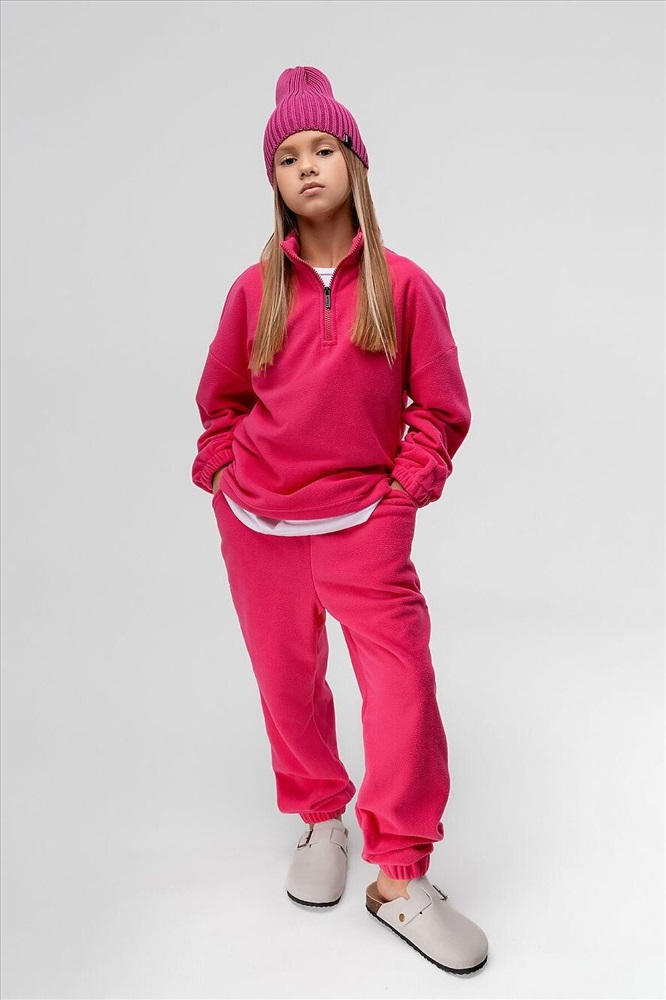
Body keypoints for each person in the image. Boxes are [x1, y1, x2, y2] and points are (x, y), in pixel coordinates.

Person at [191, 65, 488, 976]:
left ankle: (400, 874)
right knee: (287, 681)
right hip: (259, 524)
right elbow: (221, 401)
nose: (307, 166)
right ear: (274, 181)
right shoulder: (254, 290)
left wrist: (402, 495)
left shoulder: (406, 286)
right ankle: (321, 818)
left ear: (356, 162)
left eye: (323, 148)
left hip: (365, 522)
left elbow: (439, 409)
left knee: (400, 689)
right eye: (288, 156)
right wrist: (222, 474)